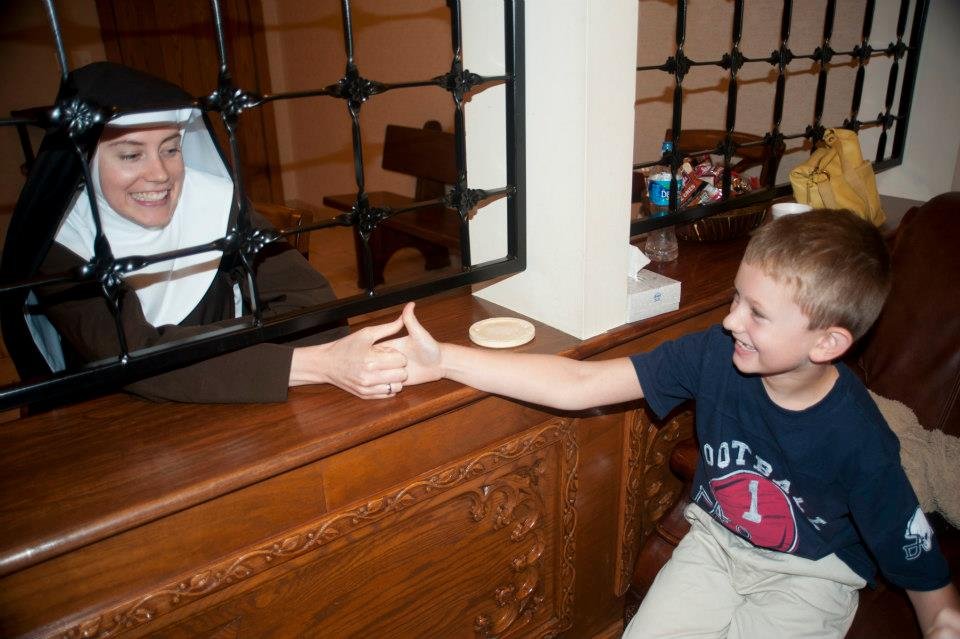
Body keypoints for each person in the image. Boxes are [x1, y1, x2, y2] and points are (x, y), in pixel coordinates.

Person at [386, 209, 960, 638]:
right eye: (737, 298)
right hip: (714, 541)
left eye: (756, 313)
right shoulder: (716, 354)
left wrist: (942, 623)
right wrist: (446, 361)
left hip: (809, 576)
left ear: (828, 342)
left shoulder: (861, 440)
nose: (731, 319)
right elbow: (580, 384)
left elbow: (915, 557)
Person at [0, 62, 406, 403]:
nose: (159, 173)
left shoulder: (213, 201)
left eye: (171, 148)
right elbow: (131, 358)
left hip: (239, 397)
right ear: (84, 160)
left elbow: (309, 299)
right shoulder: (63, 242)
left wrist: (191, 346)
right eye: (130, 154)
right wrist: (314, 363)